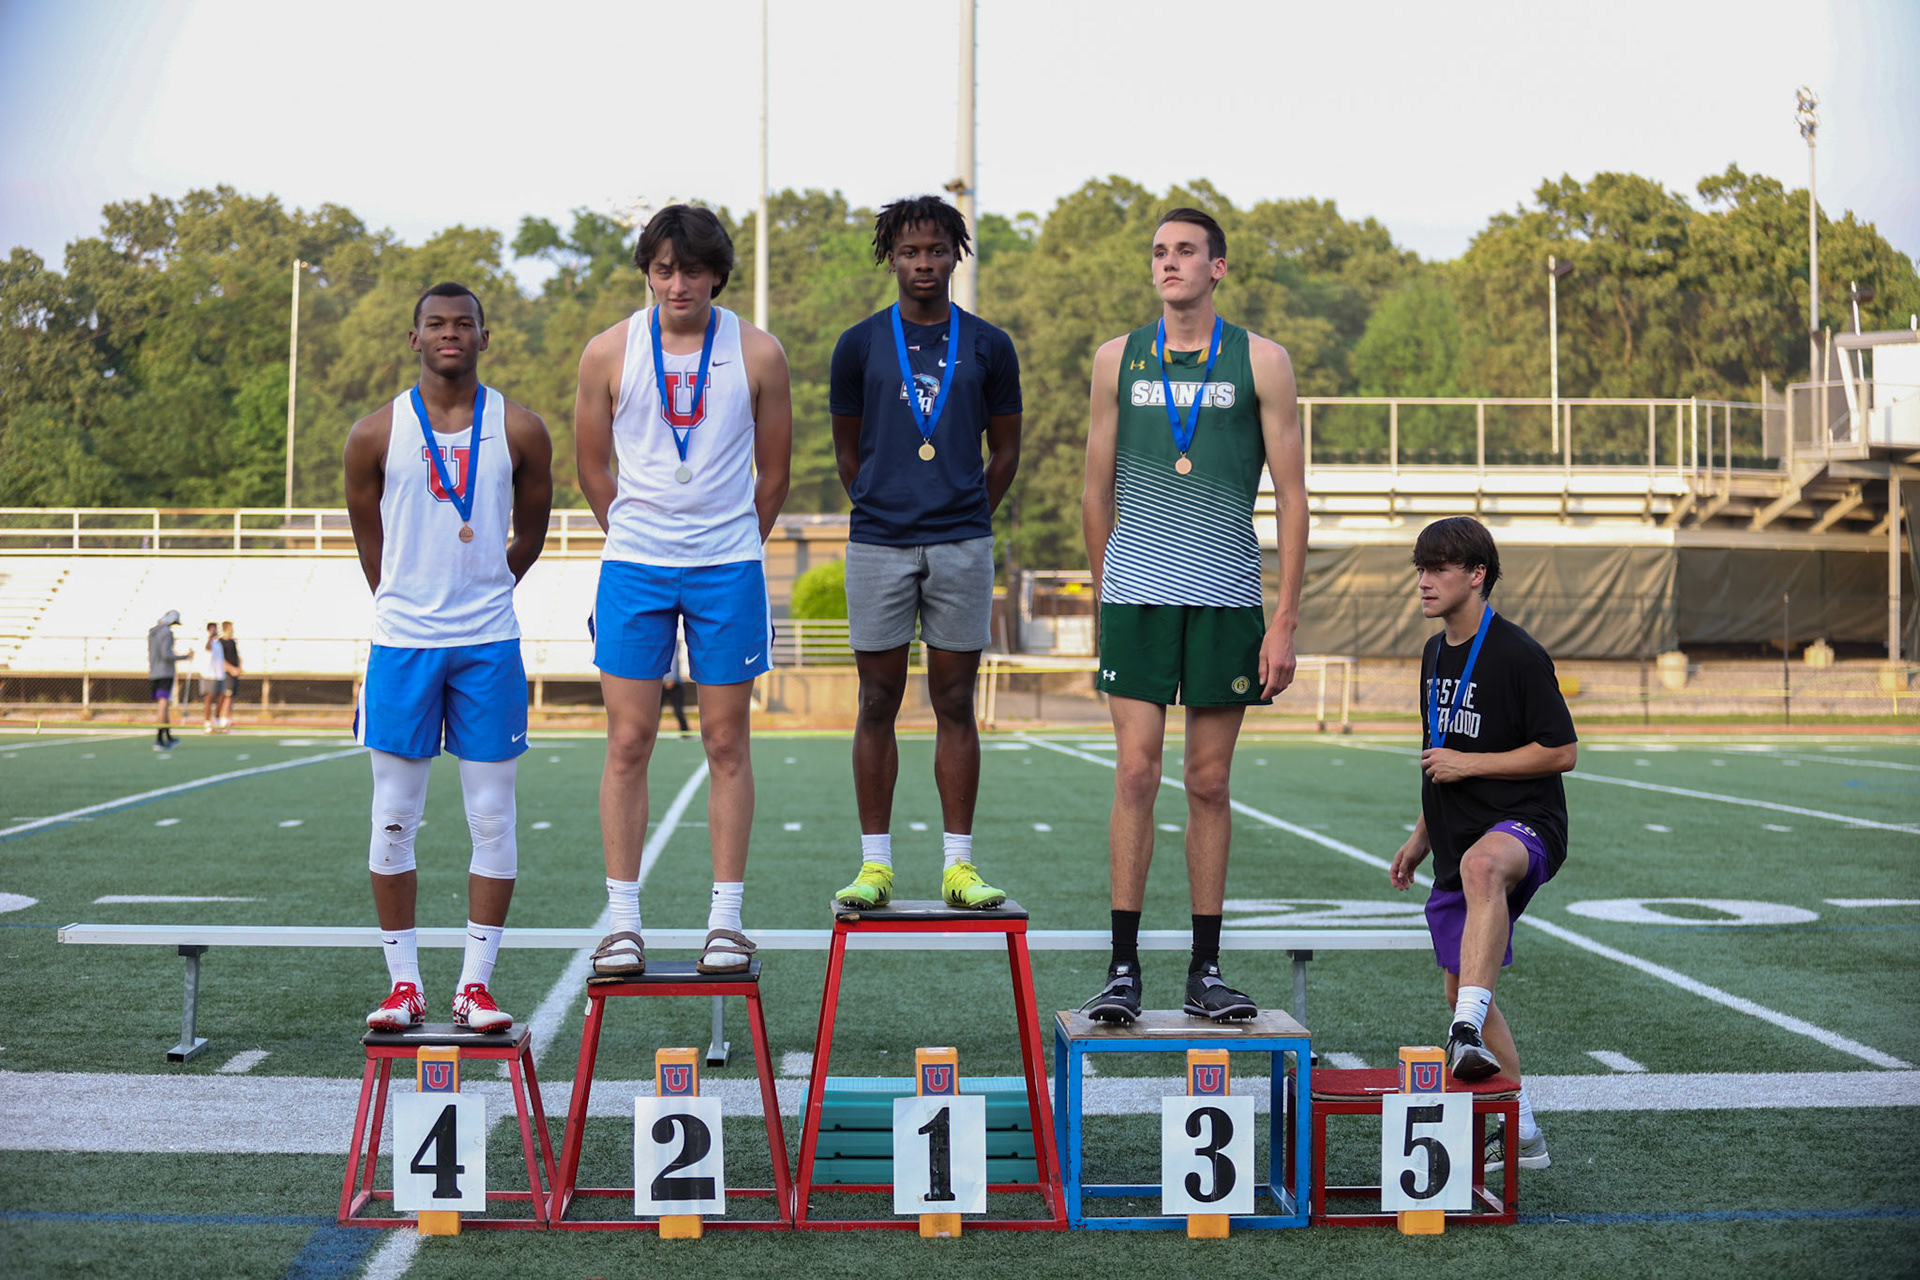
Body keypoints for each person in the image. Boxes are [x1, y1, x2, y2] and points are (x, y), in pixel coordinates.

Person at [1079, 207, 1308, 1023]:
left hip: (1225, 595)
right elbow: (1095, 487)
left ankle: (1204, 972)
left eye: (1184, 252)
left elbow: (1290, 494)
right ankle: (1122, 967)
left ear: (1217, 269)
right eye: (1158, 253)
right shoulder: (1117, 358)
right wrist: (1105, 591)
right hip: (1137, 592)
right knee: (1137, 772)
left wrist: (1283, 617)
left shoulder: (1263, 361)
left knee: (1207, 781)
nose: (1167, 263)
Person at [575, 205, 792, 978]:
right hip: (635, 566)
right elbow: (593, 468)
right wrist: (639, 534)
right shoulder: (608, 351)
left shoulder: (758, 352)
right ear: (647, 273)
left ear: (716, 276)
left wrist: (729, 540)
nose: (678, 283)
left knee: (726, 742)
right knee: (628, 741)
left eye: (692, 269)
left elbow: (775, 476)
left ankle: (725, 922)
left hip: (727, 567)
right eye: (663, 269)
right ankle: (623, 922)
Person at [344, 281, 554, 1033]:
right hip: (402, 644)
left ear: (484, 337)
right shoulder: (374, 434)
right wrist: (408, 600)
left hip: (489, 642)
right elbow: (373, 544)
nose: (450, 334)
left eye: (463, 323)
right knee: (394, 818)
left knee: (493, 819)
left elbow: (528, 535)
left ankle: (476, 987)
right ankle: (404, 986)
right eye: (435, 323)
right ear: (414, 339)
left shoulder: (521, 428)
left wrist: (484, 589)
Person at [828, 195, 1022, 912]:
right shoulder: (858, 345)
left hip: (962, 541)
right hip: (878, 541)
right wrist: (882, 501)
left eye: (936, 250)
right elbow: (849, 449)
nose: (923, 264)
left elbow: (1005, 449)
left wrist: (965, 511)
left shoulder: (990, 344)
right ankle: (874, 866)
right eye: (909, 251)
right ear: (890, 258)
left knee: (954, 701)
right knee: (876, 699)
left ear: (955, 255)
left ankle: (958, 867)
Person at [1388, 515, 1577, 1172]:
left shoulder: (1517, 653)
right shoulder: (1433, 653)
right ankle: (1522, 1131)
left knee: (1483, 864)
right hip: (1455, 841)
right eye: (1420, 567)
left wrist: (1473, 766)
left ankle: (1464, 1030)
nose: (1425, 580)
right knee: (1462, 983)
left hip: (1525, 827)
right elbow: (1437, 755)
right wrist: (1417, 840)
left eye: (1439, 567)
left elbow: (1563, 751)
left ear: (1477, 575)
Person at [145, 611, 190, 751]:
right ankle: (160, 739)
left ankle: (168, 737)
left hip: (154, 672)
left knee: (163, 705)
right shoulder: (166, 633)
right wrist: (185, 657)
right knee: (163, 706)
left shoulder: (153, 632)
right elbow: (166, 654)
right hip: (165, 673)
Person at [216, 621, 243, 731]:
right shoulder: (220, 642)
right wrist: (231, 669)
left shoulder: (232, 642)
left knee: (231, 697)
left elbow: (237, 656)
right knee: (226, 696)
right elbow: (221, 659)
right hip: (226, 673)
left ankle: (228, 719)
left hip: (234, 673)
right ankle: (222, 720)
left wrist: (239, 667)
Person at [198, 622, 223, 732]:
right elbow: (208, 648)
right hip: (208, 674)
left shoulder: (218, 643)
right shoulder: (205, 641)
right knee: (208, 699)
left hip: (219, 674)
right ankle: (207, 723)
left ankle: (217, 721)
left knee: (220, 698)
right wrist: (210, 636)